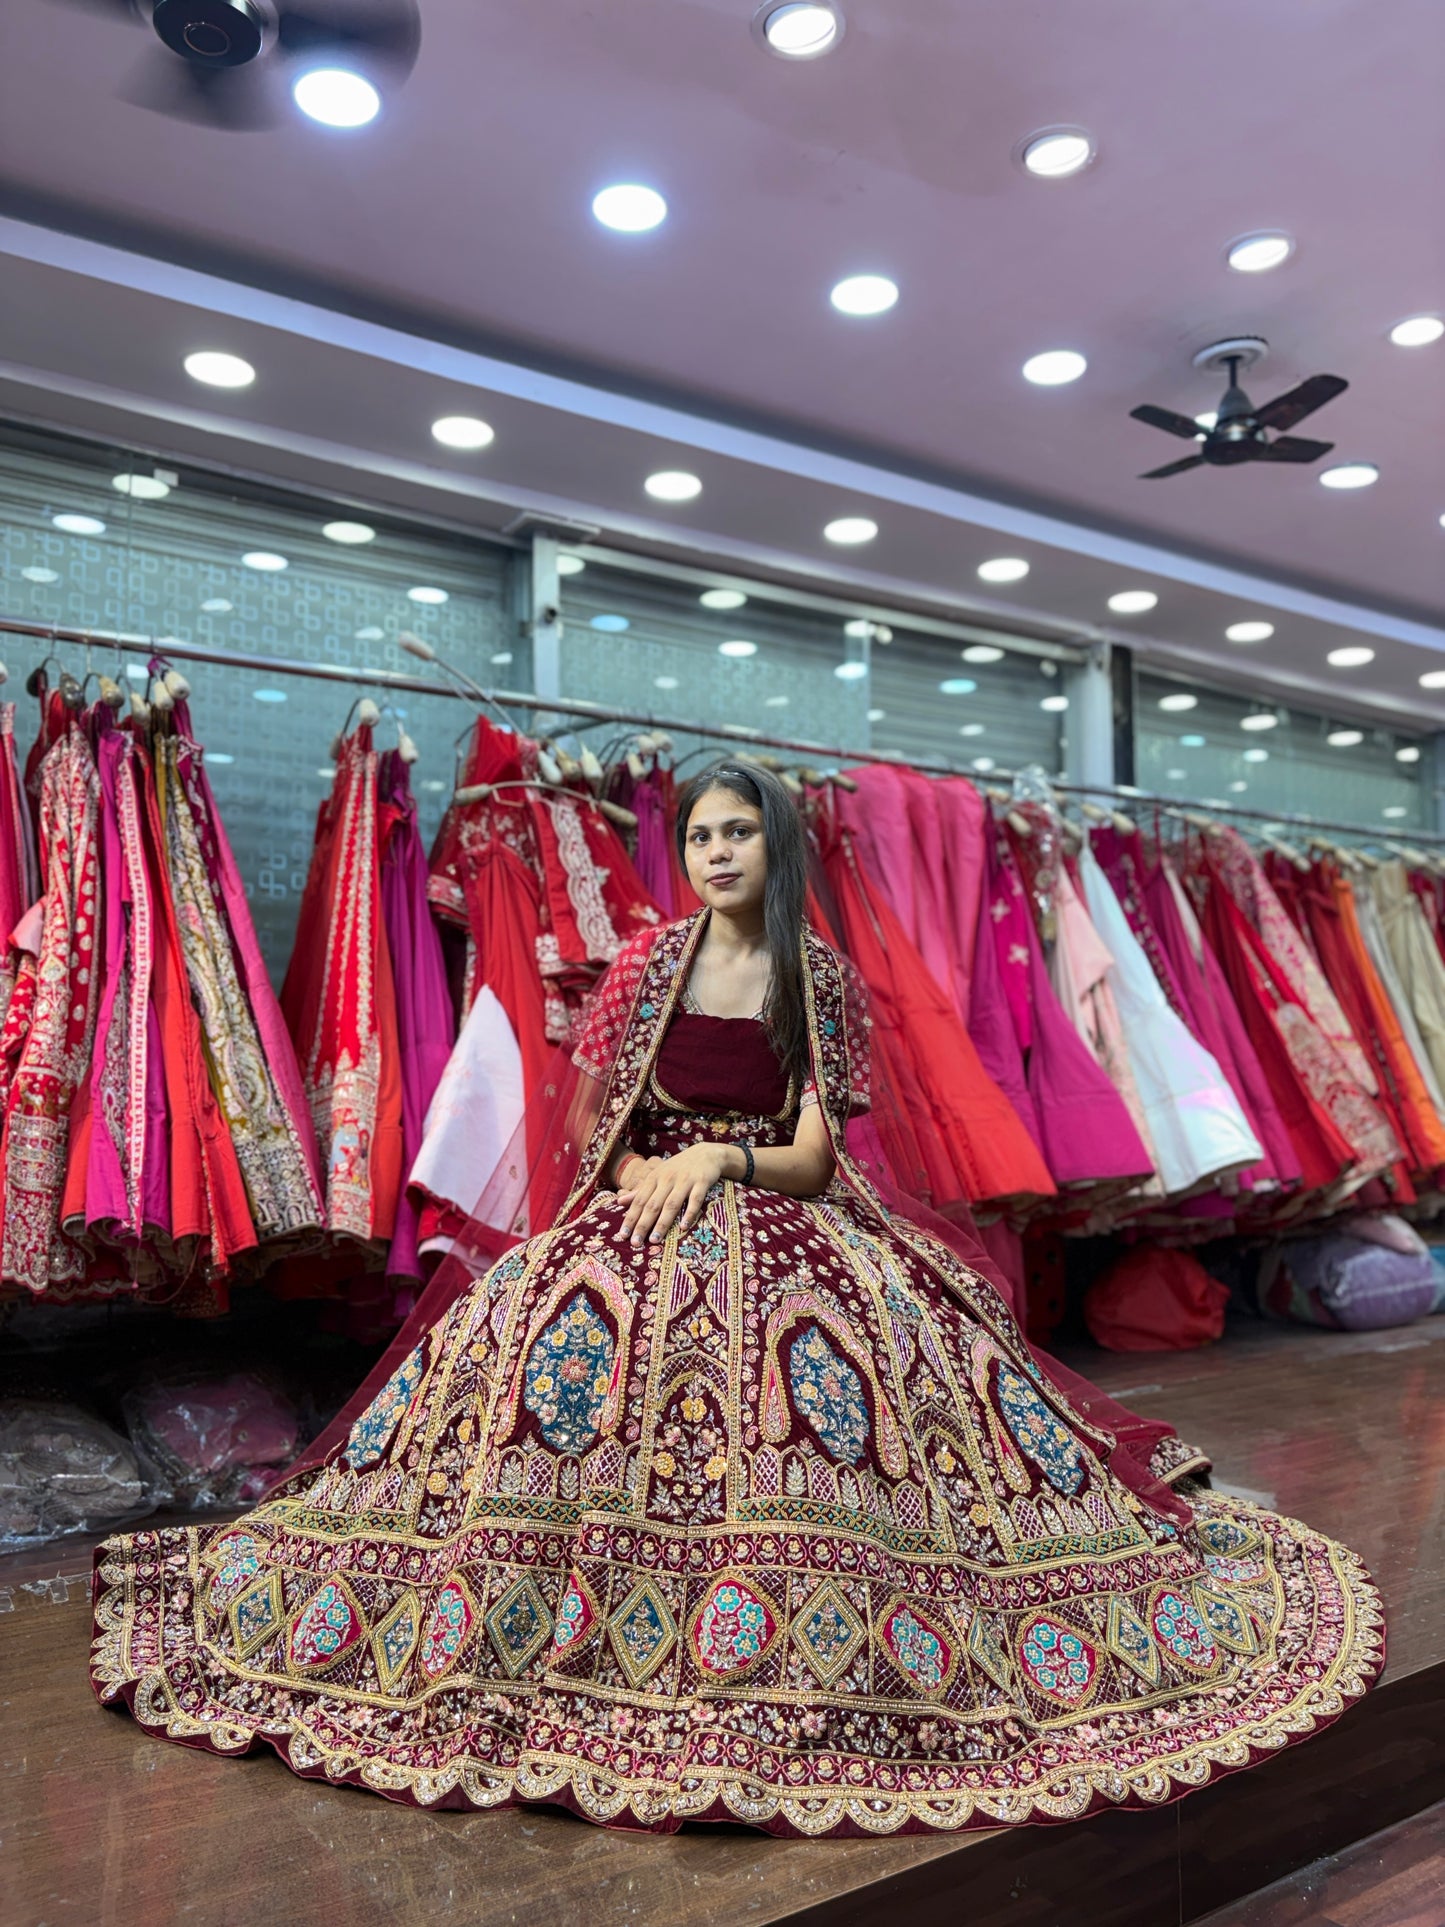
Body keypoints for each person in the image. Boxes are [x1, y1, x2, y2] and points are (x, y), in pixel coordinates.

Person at [92, 762, 1382, 1838]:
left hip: (786, 1211)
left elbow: (820, 1154)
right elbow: (601, 1123)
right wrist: (649, 1168)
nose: (714, 851)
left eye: (736, 831)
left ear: (775, 842)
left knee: (839, 1410)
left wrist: (719, 1157)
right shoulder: (650, 966)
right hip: (647, 1213)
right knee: (532, 1360)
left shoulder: (811, 975)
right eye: (700, 834)